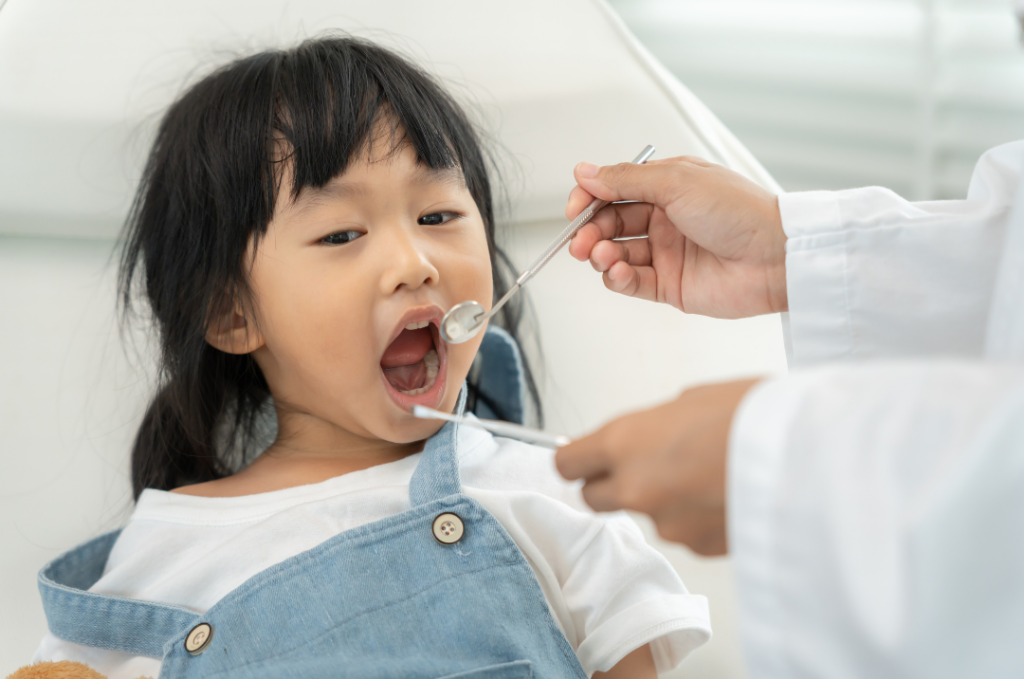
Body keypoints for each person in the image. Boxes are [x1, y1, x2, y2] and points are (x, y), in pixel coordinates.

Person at [27, 38, 712, 679]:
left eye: (438, 217)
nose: (412, 264)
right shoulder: (162, 553)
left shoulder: (550, 491)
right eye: (341, 233)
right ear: (232, 314)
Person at [555, 144, 1024, 676]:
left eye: (442, 217)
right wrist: (786, 253)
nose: (432, 264)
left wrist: (785, 459)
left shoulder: (558, 516)